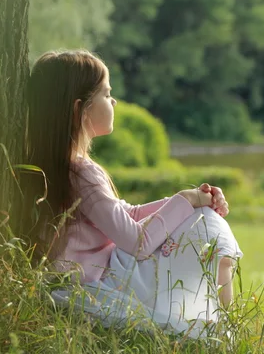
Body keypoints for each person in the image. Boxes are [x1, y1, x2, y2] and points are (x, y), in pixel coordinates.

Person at [24, 49, 242, 337]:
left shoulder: (68, 168)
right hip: (99, 280)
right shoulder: (80, 174)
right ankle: (227, 327)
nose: (113, 100)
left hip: (100, 272)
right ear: (80, 109)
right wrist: (188, 201)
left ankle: (223, 322)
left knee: (201, 216)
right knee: (208, 224)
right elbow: (137, 241)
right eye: (105, 93)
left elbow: (126, 214)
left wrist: (187, 198)